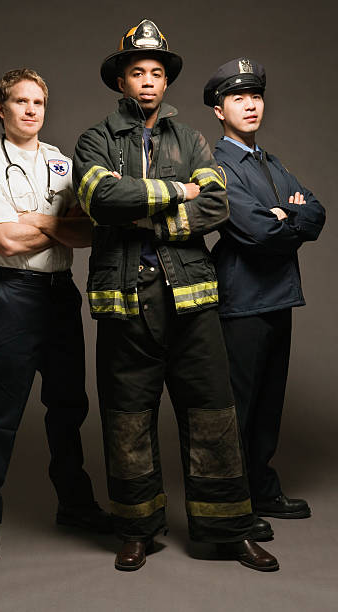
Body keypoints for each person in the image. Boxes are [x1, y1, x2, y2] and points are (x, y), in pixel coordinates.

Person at [73, 20, 279, 572]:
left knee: (212, 414)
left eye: (156, 73)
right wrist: (173, 192)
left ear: (166, 83)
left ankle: (229, 531)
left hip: (190, 296)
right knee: (128, 418)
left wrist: (148, 221)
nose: (147, 82)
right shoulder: (95, 139)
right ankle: (137, 530)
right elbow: (97, 196)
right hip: (124, 301)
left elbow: (216, 204)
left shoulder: (190, 139)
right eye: (136, 72)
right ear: (121, 80)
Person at [0, 68, 111, 563]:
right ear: (1, 109)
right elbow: (5, 240)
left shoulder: (61, 162)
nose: (31, 110)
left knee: (69, 405)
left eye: (38, 103)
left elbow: (90, 232)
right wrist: (58, 225)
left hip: (60, 293)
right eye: (20, 102)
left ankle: (75, 504)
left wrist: (34, 219)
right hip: (14, 297)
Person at [203, 58, 325, 525]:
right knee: (238, 408)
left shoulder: (270, 162)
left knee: (270, 400)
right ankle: (232, 503)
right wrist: (284, 216)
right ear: (219, 110)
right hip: (242, 302)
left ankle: (262, 490)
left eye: (254, 96)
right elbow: (256, 233)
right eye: (237, 98)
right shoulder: (218, 167)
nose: (250, 105)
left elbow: (315, 213)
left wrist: (287, 215)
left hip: (280, 297)